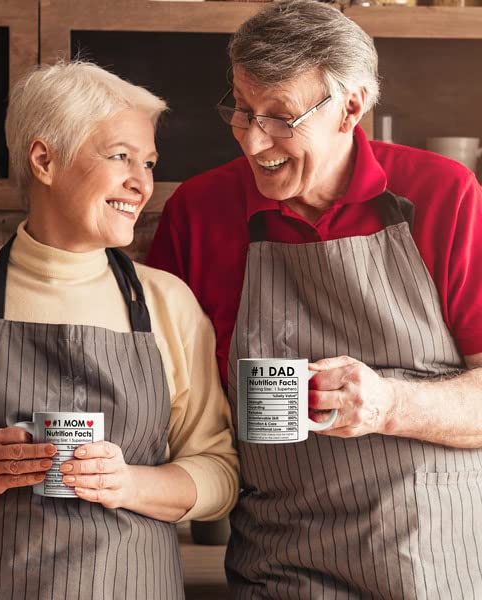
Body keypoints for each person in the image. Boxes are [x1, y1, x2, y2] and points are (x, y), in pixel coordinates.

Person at [146, 1, 482, 597]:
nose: (253, 141)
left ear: (350, 107)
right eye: (243, 111)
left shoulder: (443, 194)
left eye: (279, 117)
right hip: (281, 569)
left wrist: (385, 403)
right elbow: (165, 404)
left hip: (439, 563)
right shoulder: (198, 213)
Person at [0, 61, 239, 600]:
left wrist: (129, 483)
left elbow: (219, 473)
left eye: (148, 162)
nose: (141, 182)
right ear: (45, 160)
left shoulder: (168, 303)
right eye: (120, 156)